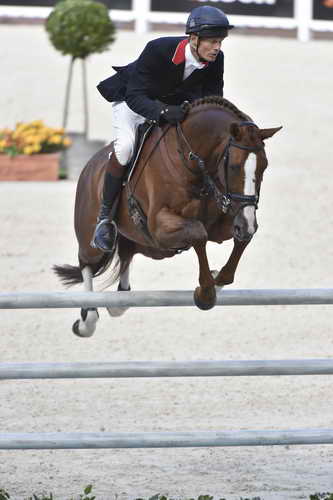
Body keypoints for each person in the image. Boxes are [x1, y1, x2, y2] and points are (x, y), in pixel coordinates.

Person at [92, 5, 234, 253]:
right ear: (193, 39)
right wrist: (162, 112)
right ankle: (104, 219)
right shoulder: (158, 49)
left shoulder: (216, 60)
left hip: (173, 106)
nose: (217, 48)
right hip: (133, 102)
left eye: (220, 42)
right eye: (212, 42)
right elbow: (136, 95)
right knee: (125, 148)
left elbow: (212, 98)